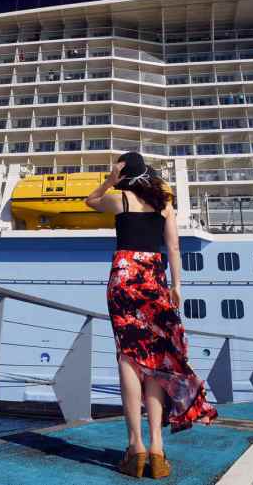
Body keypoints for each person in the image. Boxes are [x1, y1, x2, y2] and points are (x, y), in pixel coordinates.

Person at [86, 152, 217, 479]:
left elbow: (90, 201)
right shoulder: (164, 206)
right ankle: (157, 449)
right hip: (154, 279)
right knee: (156, 358)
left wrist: (109, 181)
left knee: (128, 359)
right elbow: (173, 249)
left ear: (124, 173)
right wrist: (176, 286)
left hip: (124, 278)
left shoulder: (121, 200)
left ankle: (136, 446)